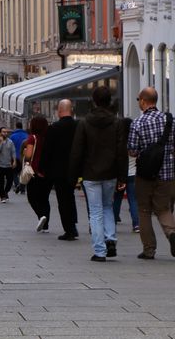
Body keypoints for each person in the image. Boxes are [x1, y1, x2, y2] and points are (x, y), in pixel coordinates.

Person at [69, 86, 128, 261]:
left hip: (90, 173)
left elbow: (77, 151)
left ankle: (100, 250)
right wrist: (122, 176)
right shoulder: (117, 123)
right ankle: (110, 238)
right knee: (108, 206)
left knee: (95, 212)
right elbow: (121, 151)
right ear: (109, 101)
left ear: (94, 101)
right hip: (110, 173)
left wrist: (73, 176)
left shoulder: (84, 123)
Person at [126, 87, 175, 259]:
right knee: (163, 208)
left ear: (143, 101)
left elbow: (132, 150)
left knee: (144, 210)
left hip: (145, 175)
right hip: (167, 173)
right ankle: (171, 233)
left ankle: (149, 249)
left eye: (138, 100)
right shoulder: (170, 120)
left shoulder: (137, 123)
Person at [42, 99, 80, 241]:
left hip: (59, 170)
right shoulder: (78, 126)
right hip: (75, 168)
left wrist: (44, 169)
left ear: (59, 111)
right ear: (71, 110)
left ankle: (69, 229)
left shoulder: (54, 128)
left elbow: (47, 150)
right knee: (71, 197)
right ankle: (73, 226)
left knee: (63, 200)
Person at [22, 115, 51, 232]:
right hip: (48, 172)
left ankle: (41, 215)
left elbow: (29, 155)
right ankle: (45, 225)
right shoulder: (49, 138)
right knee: (45, 198)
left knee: (32, 197)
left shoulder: (32, 138)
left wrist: (25, 152)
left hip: (34, 172)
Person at [113, 120, 140, 234]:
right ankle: (136, 224)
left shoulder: (118, 141)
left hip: (120, 175)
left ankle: (113, 221)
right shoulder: (135, 141)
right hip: (133, 174)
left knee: (117, 199)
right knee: (133, 200)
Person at [0, 126, 16, 203]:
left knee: (10, 180)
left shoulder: (10, 142)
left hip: (8, 165)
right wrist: (1, 143)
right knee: (0, 182)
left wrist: (14, 161)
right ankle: (2, 197)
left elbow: (13, 151)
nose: (5, 133)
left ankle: (6, 192)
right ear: (0, 133)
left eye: (6, 132)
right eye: (3, 132)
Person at [9, 121, 29, 193]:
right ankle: (22, 188)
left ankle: (17, 185)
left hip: (15, 157)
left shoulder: (12, 136)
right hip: (24, 157)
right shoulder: (27, 135)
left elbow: (10, 147)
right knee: (23, 172)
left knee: (14, 173)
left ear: (16, 127)